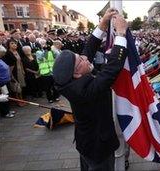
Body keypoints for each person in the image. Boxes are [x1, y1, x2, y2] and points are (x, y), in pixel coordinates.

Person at [52, 9, 128, 171]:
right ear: (78, 73)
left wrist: (102, 25)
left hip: (86, 143)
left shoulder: (72, 81)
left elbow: (88, 51)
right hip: (98, 148)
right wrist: (121, 34)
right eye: (81, 60)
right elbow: (112, 69)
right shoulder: (86, 91)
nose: (85, 58)